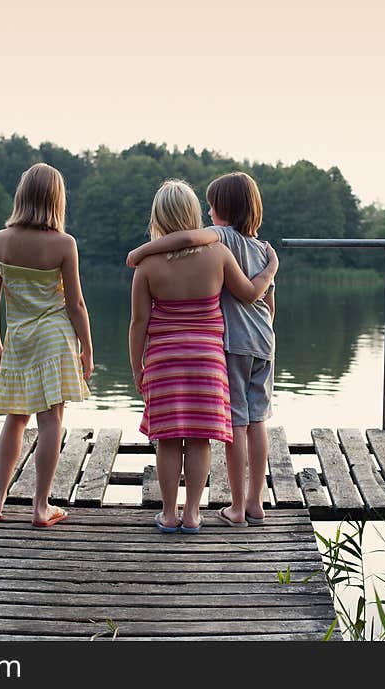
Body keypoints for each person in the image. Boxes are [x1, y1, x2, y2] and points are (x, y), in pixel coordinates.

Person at [129, 179, 277, 533]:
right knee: (199, 438)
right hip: (209, 362)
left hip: (164, 361)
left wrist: (138, 368)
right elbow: (249, 294)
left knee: (166, 439)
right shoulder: (219, 255)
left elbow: (138, 323)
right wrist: (271, 271)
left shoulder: (147, 266)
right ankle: (193, 514)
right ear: (194, 214)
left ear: (157, 217)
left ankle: (168, 513)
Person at [0, 163, 93, 527]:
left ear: (21, 196)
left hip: (18, 339)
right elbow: (76, 304)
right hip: (54, 338)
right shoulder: (64, 244)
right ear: (57, 200)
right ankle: (40, 506)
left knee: (15, 417)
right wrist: (88, 348)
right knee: (51, 420)